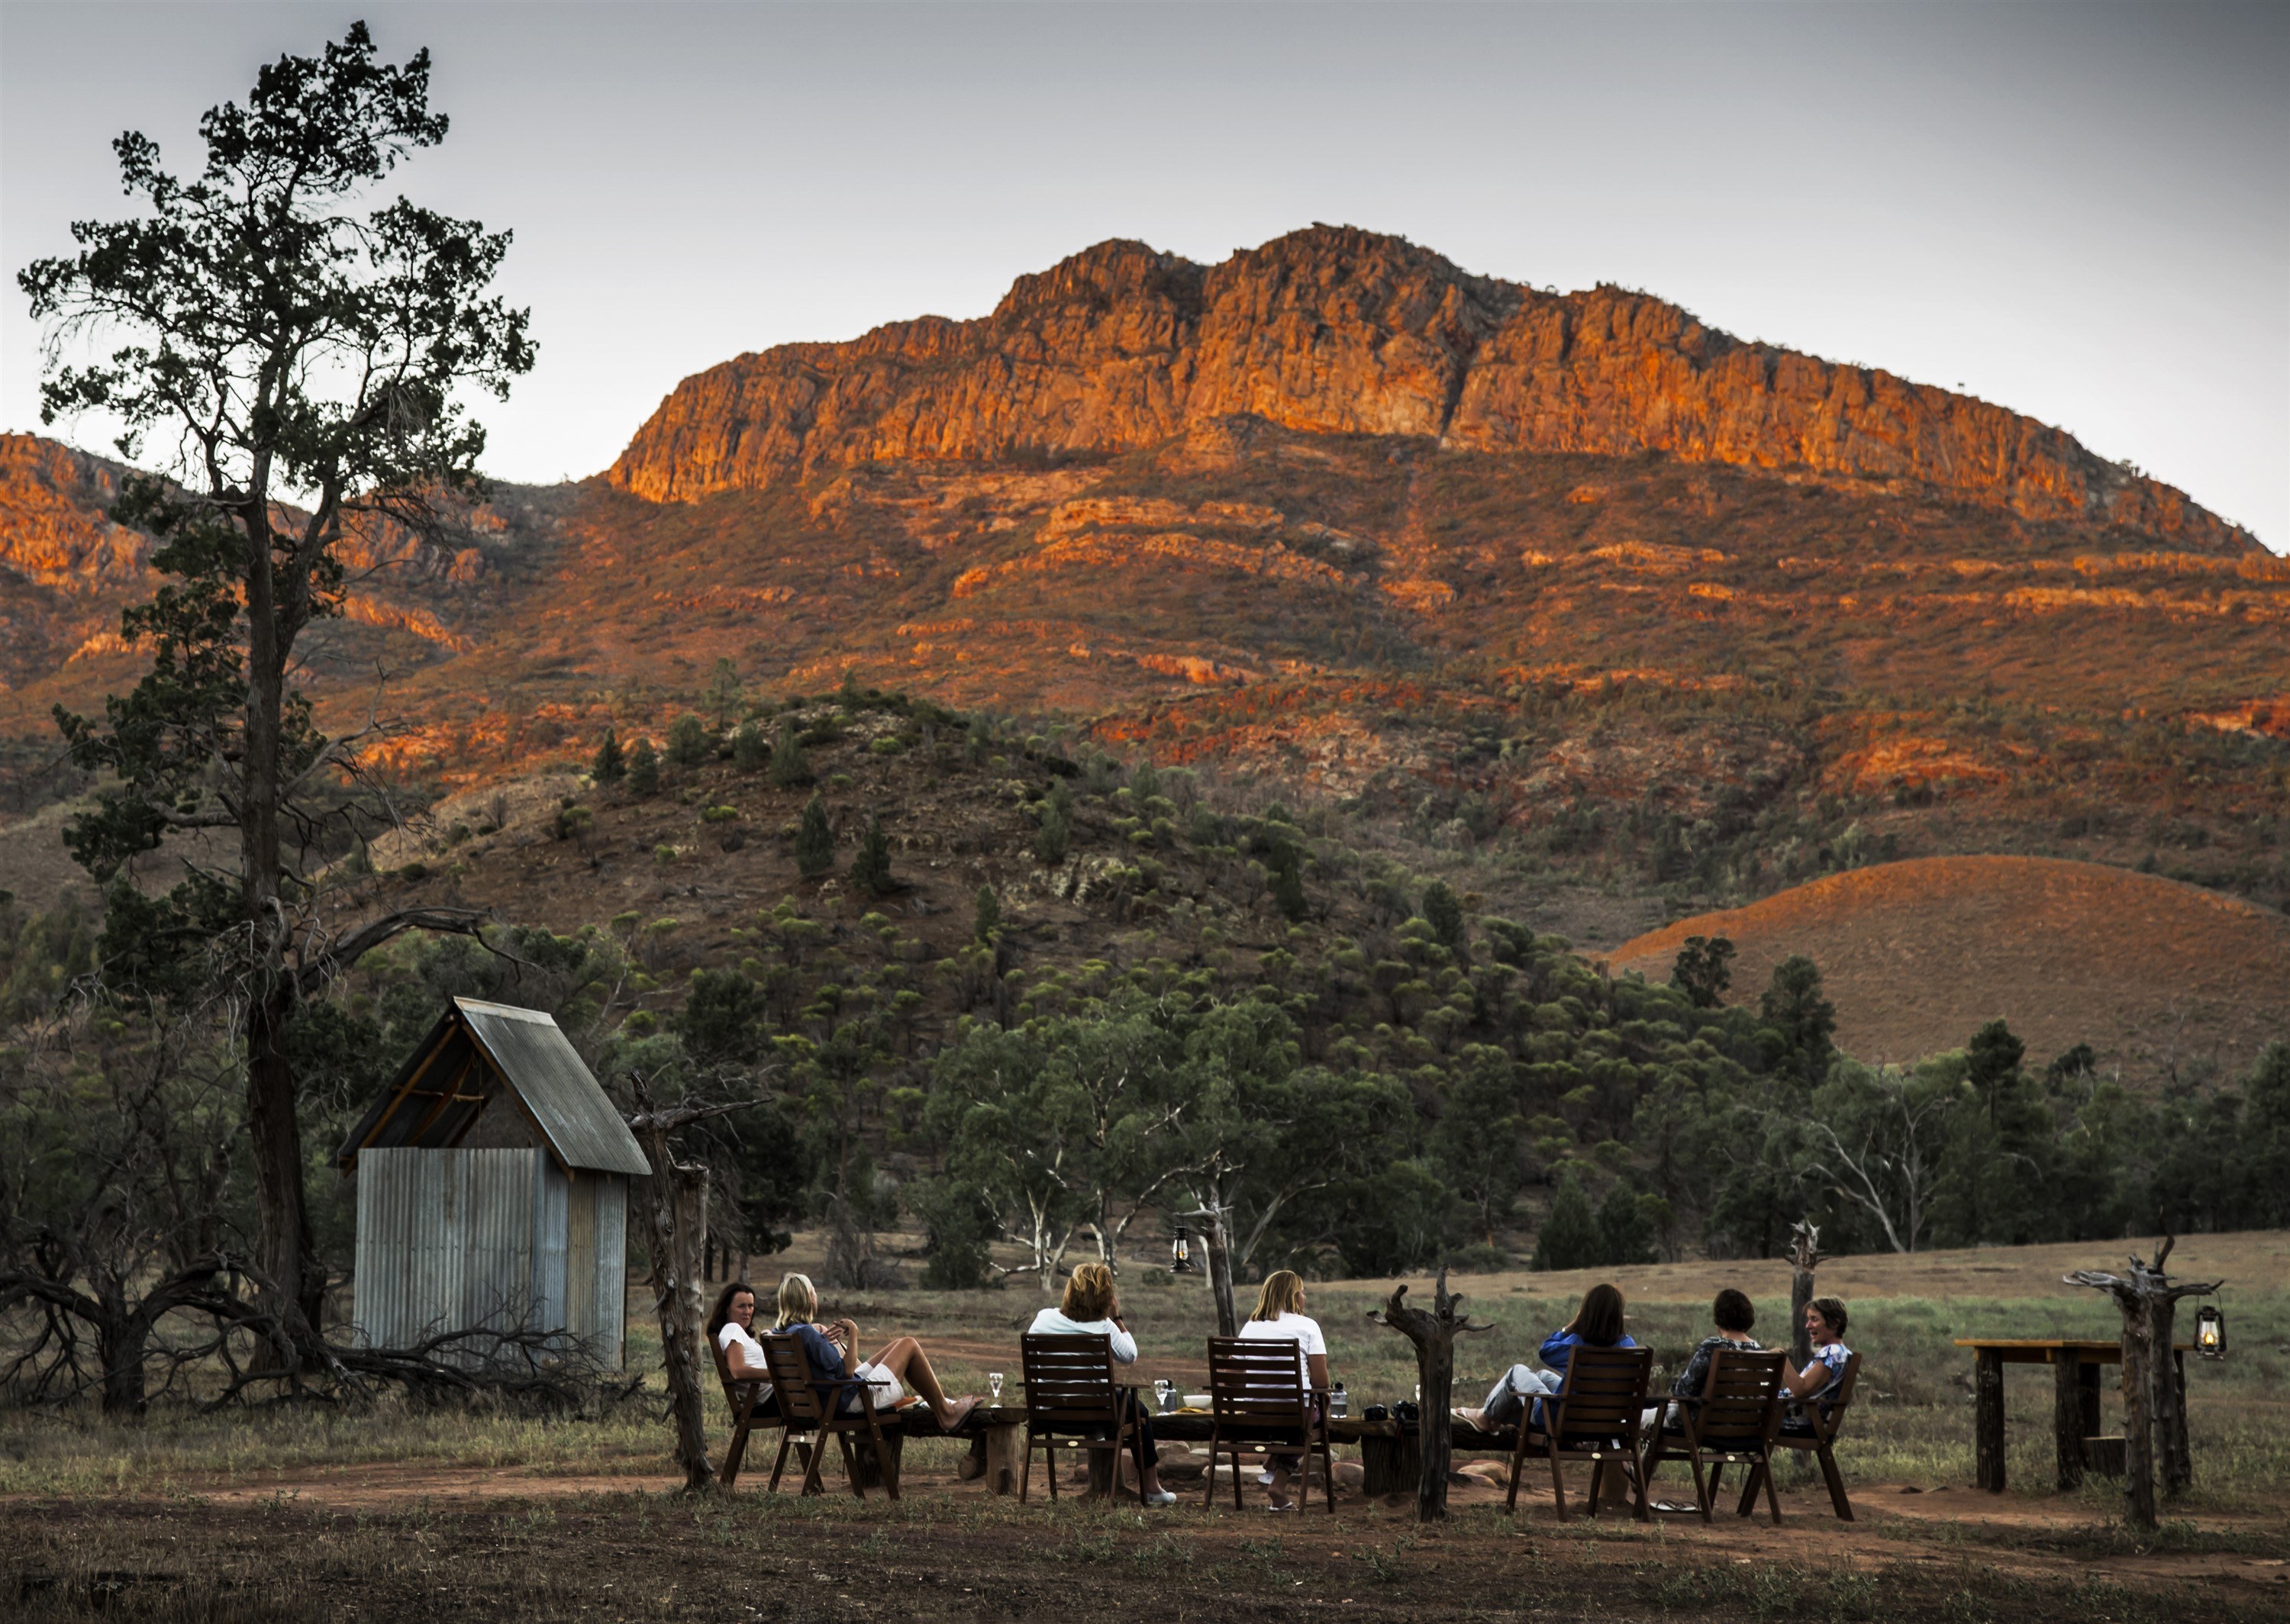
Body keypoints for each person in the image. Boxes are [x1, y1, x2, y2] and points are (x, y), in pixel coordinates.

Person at [1027, 1262, 1177, 1506]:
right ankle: (1152, 1487)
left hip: (1049, 1411)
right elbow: (1130, 1355)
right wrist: (1117, 1317)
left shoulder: (1044, 1318)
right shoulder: (1105, 1327)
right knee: (1140, 1412)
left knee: (1127, 1405)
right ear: (1106, 1299)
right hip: (1097, 1413)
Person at [760, 1271, 979, 1430]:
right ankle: (947, 1413)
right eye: (814, 1292)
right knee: (909, 1344)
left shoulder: (780, 1333)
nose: (816, 1297)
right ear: (808, 1298)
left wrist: (824, 1343)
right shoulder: (806, 1333)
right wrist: (853, 1332)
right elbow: (846, 1373)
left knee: (898, 1344)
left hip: (827, 1398)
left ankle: (943, 1407)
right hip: (850, 1400)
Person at [1464, 1281, 1637, 1431]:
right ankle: (1498, 1418)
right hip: (1606, 1422)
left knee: (1516, 1372)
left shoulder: (1578, 1345)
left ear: (1586, 1314)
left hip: (1558, 1420)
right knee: (1542, 1376)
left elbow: (1545, 1351)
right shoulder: (1629, 1346)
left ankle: (1485, 1417)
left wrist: (1572, 1325)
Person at [1237, 1269, 1330, 1510]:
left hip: (1254, 1415)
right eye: (1302, 1291)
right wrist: (1327, 1398)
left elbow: (1232, 1375)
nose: (1305, 1297)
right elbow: (1320, 1381)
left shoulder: (1249, 1327)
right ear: (1294, 1295)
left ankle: (1272, 1465)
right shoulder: (1307, 1326)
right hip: (1295, 1415)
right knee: (1309, 1419)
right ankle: (1277, 1485)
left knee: (1302, 1415)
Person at [1647, 1286, 1760, 1432]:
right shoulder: (1758, 1350)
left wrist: (1676, 1393)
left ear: (1718, 1318)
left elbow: (1684, 1390)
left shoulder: (1712, 1347)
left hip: (1706, 1423)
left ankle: (1634, 1456)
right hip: (1748, 1424)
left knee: (1642, 1418)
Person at [1780, 1296, 1853, 1429]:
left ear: (1835, 1323)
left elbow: (1800, 1390)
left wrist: (1781, 1359)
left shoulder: (1833, 1352)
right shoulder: (1841, 1353)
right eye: (1808, 1320)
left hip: (1788, 1420)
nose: (1808, 1326)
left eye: (1814, 1319)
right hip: (1787, 1414)